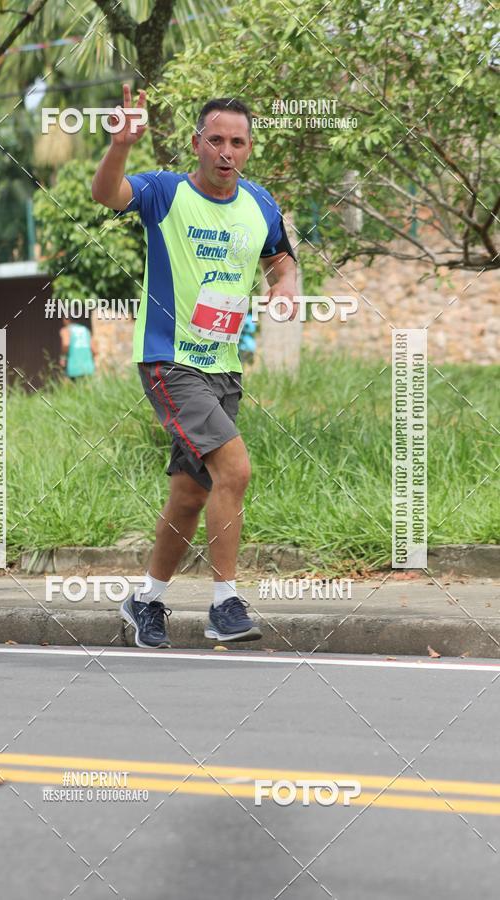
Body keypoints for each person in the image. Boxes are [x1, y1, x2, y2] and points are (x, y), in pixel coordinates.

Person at [91, 85, 297, 648]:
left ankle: (145, 601)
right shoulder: (165, 192)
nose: (226, 151)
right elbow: (106, 193)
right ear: (196, 144)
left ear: (249, 148)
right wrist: (120, 147)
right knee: (235, 469)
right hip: (170, 360)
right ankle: (225, 603)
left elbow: (280, 258)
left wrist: (286, 285)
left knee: (190, 492)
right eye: (215, 140)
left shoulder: (260, 205)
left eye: (237, 142)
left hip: (223, 368)